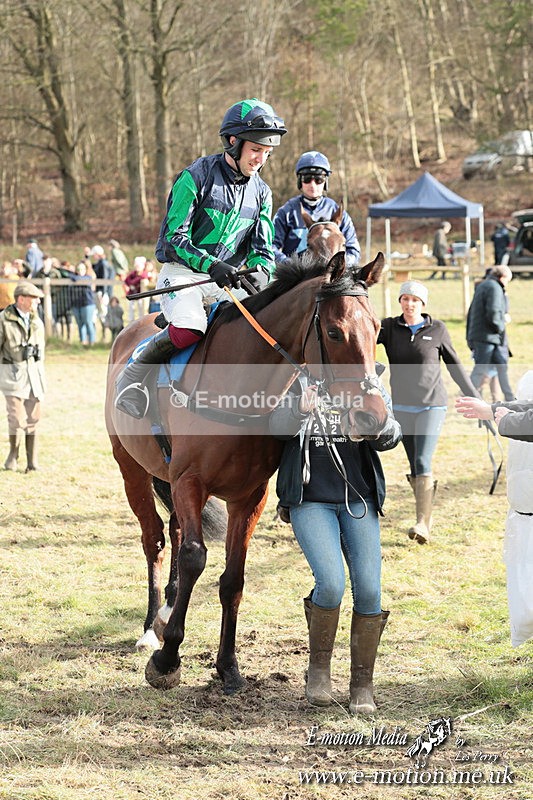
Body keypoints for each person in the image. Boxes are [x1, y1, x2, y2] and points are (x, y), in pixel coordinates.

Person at [115, 98, 287, 419]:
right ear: (233, 142)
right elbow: (173, 238)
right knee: (192, 326)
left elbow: (264, 250)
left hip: (226, 281)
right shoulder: (195, 176)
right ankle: (135, 376)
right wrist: (211, 265)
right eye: (256, 150)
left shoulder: (262, 192)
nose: (261, 159)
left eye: (267, 153)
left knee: (273, 322)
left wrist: (263, 273)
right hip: (182, 273)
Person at [270, 379, 401, 713]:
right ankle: (318, 671)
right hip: (310, 499)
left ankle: (362, 685)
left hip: (359, 499)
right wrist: (298, 410)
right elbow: (273, 427)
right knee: (330, 583)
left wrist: (377, 424)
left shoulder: (368, 380)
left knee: (370, 591)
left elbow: (393, 434)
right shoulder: (296, 379)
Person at [377, 280, 480, 544]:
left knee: (422, 461)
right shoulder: (389, 327)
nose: (409, 304)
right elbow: (361, 339)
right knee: (414, 464)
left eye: (415, 300)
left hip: (431, 405)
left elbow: (455, 366)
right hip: (400, 407)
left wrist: (478, 401)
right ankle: (424, 513)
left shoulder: (437, 329)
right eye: (405, 299)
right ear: (400, 301)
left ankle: (423, 523)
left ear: (423, 304)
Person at [272, 151, 360, 266]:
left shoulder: (337, 212)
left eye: (319, 179)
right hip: (295, 277)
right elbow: (270, 247)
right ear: (300, 181)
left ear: (325, 182)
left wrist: (336, 267)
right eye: (307, 179)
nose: (312, 185)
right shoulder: (286, 212)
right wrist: (292, 266)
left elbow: (354, 252)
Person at [0, 281, 46, 471]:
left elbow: (42, 352)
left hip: (34, 376)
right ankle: (13, 455)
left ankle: (32, 461)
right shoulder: (3, 320)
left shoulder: (37, 321)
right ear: (21, 299)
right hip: (12, 377)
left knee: (34, 419)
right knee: (17, 419)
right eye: (34, 299)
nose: (37, 302)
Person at [466, 264, 514, 401]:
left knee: (502, 367)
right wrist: (500, 327)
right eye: (507, 281)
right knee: (480, 370)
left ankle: (510, 399)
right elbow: (493, 312)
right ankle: (469, 396)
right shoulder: (494, 287)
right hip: (487, 336)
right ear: (502, 277)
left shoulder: (484, 285)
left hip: (486, 336)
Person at [67, 261, 97, 347]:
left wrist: (74, 277)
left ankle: (92, 342)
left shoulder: (88, 277)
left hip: (87, 303)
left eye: (82, 269)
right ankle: (83, 342)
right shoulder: (73, 277)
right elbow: (70, 276)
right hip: (76, 304)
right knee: (80, 323)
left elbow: (78, 279)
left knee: (88, 322)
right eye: (79, 269)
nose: (80, 270)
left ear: (85, 269)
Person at [90, 245, 114, 340]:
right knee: (99, 314)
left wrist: (103, 294)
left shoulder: (103, 264)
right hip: (101, 292)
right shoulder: (101, 263)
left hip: (102, 293)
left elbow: (104, 280)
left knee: (103, 314)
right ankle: (101, 336)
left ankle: (105, 337)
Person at [124, 256, 149, 322]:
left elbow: (140, 278)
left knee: (141, 306)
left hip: (140, 295)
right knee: (131, 307)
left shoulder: (144, 273)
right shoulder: (133, 273)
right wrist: (133, 282)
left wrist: (133, 282)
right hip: (132, 294)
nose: (137, 267)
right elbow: (127, 280)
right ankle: (131, 321)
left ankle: (140, 321)